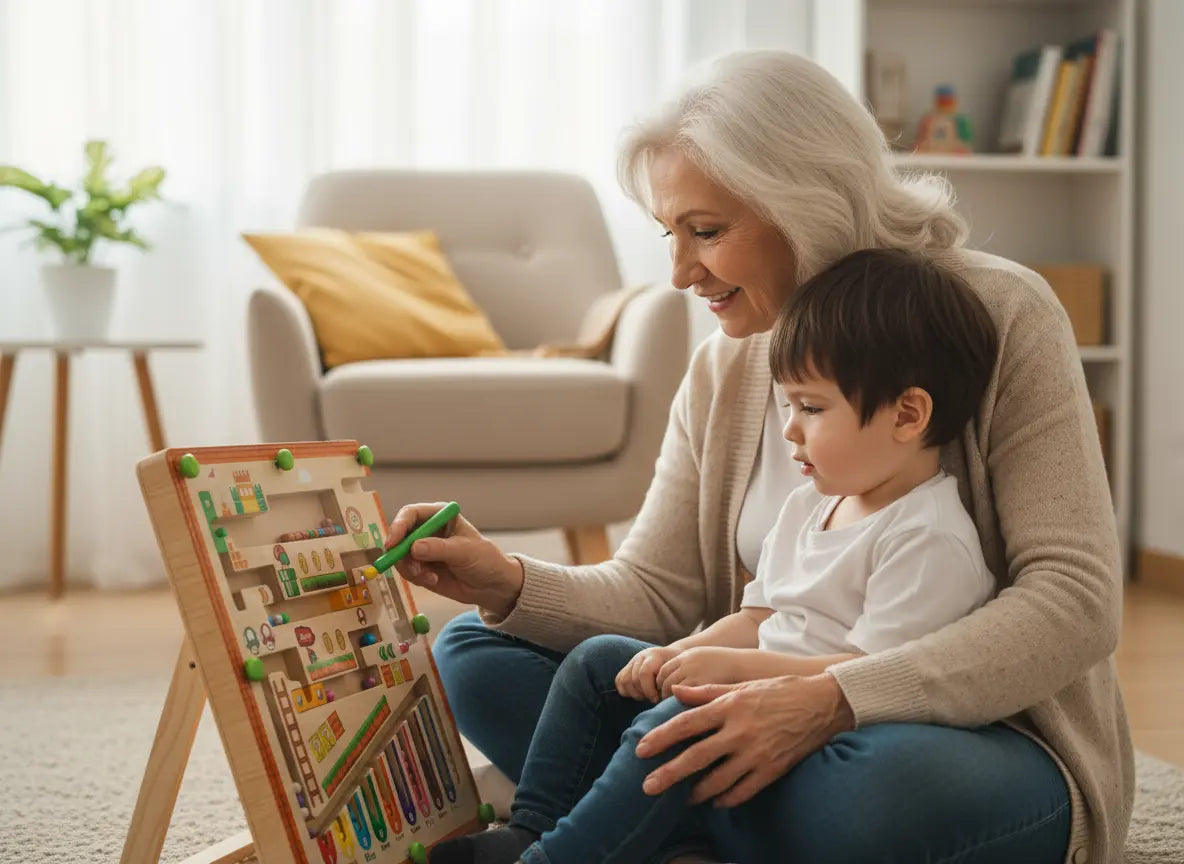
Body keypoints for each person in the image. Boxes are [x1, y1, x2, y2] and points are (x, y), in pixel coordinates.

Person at [384, 50, 1133, 864]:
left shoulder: (1002, 312)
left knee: (871, 797)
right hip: (751, 697)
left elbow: (1074, 599)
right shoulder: (726, 363)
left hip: (955, 739)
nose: (680, 273)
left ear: (805, 203)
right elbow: (657, 591)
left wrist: (829, 702)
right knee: (472, 653)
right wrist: (506, 581)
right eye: (670, 235)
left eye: (705, 232)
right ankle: (678, 827)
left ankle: (643, 823)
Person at [427, 247, 1001, 864]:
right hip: (749, 697)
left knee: (679, 719)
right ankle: (535, 827)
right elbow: (758, 618)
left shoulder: (927, 538)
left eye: (811, 408)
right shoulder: (811, 504)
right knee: (598, 661)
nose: (790, 429)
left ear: (907, 415)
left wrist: (725, 670)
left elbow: (868, 678)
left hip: (828, 735)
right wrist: (680, 654)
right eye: (787, 406)